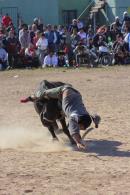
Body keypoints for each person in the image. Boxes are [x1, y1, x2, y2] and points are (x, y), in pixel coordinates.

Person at [23, 84, 101, 149]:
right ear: (78, 121)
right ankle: (30, 98)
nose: (79, 128)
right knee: (43, 94)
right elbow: (74, 131)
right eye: (80, 127)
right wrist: (78, 142)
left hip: (76, 94)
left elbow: (96, 117)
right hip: (63, 91)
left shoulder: (85, 114)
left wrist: (96, 123)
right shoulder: (74, 116)